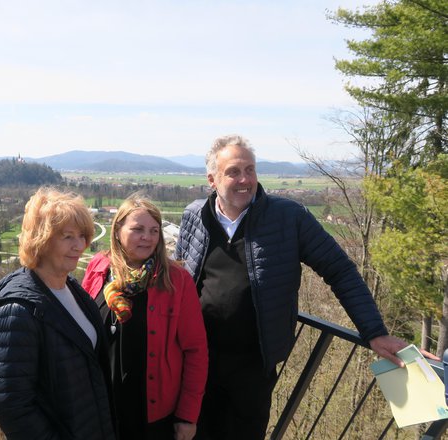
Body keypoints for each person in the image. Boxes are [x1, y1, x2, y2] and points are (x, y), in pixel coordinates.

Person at [174, 134, 436, 440]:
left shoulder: (287, 217)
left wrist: (374, 332)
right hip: (195, 361)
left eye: (250, 170)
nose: (245, 179)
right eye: (233, 171)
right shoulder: (196, 215)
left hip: (252, 367)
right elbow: (178, 278)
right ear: (212, 179)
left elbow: (339, 270)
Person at [0, 187, 115, 440]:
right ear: (41, 238)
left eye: (82, 236)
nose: (80, 245)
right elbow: (14, 409)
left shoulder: (72, 288)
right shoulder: (17, 312)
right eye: (67, 237)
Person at [82, 194, 208, 440]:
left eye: (153, 230)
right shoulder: (99, 267)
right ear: (118, 230)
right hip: (100, 404)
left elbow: (196, 351)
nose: (147, 237)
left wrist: (187, 416)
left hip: (152, 412)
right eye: (138, 229)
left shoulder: (176, 280)